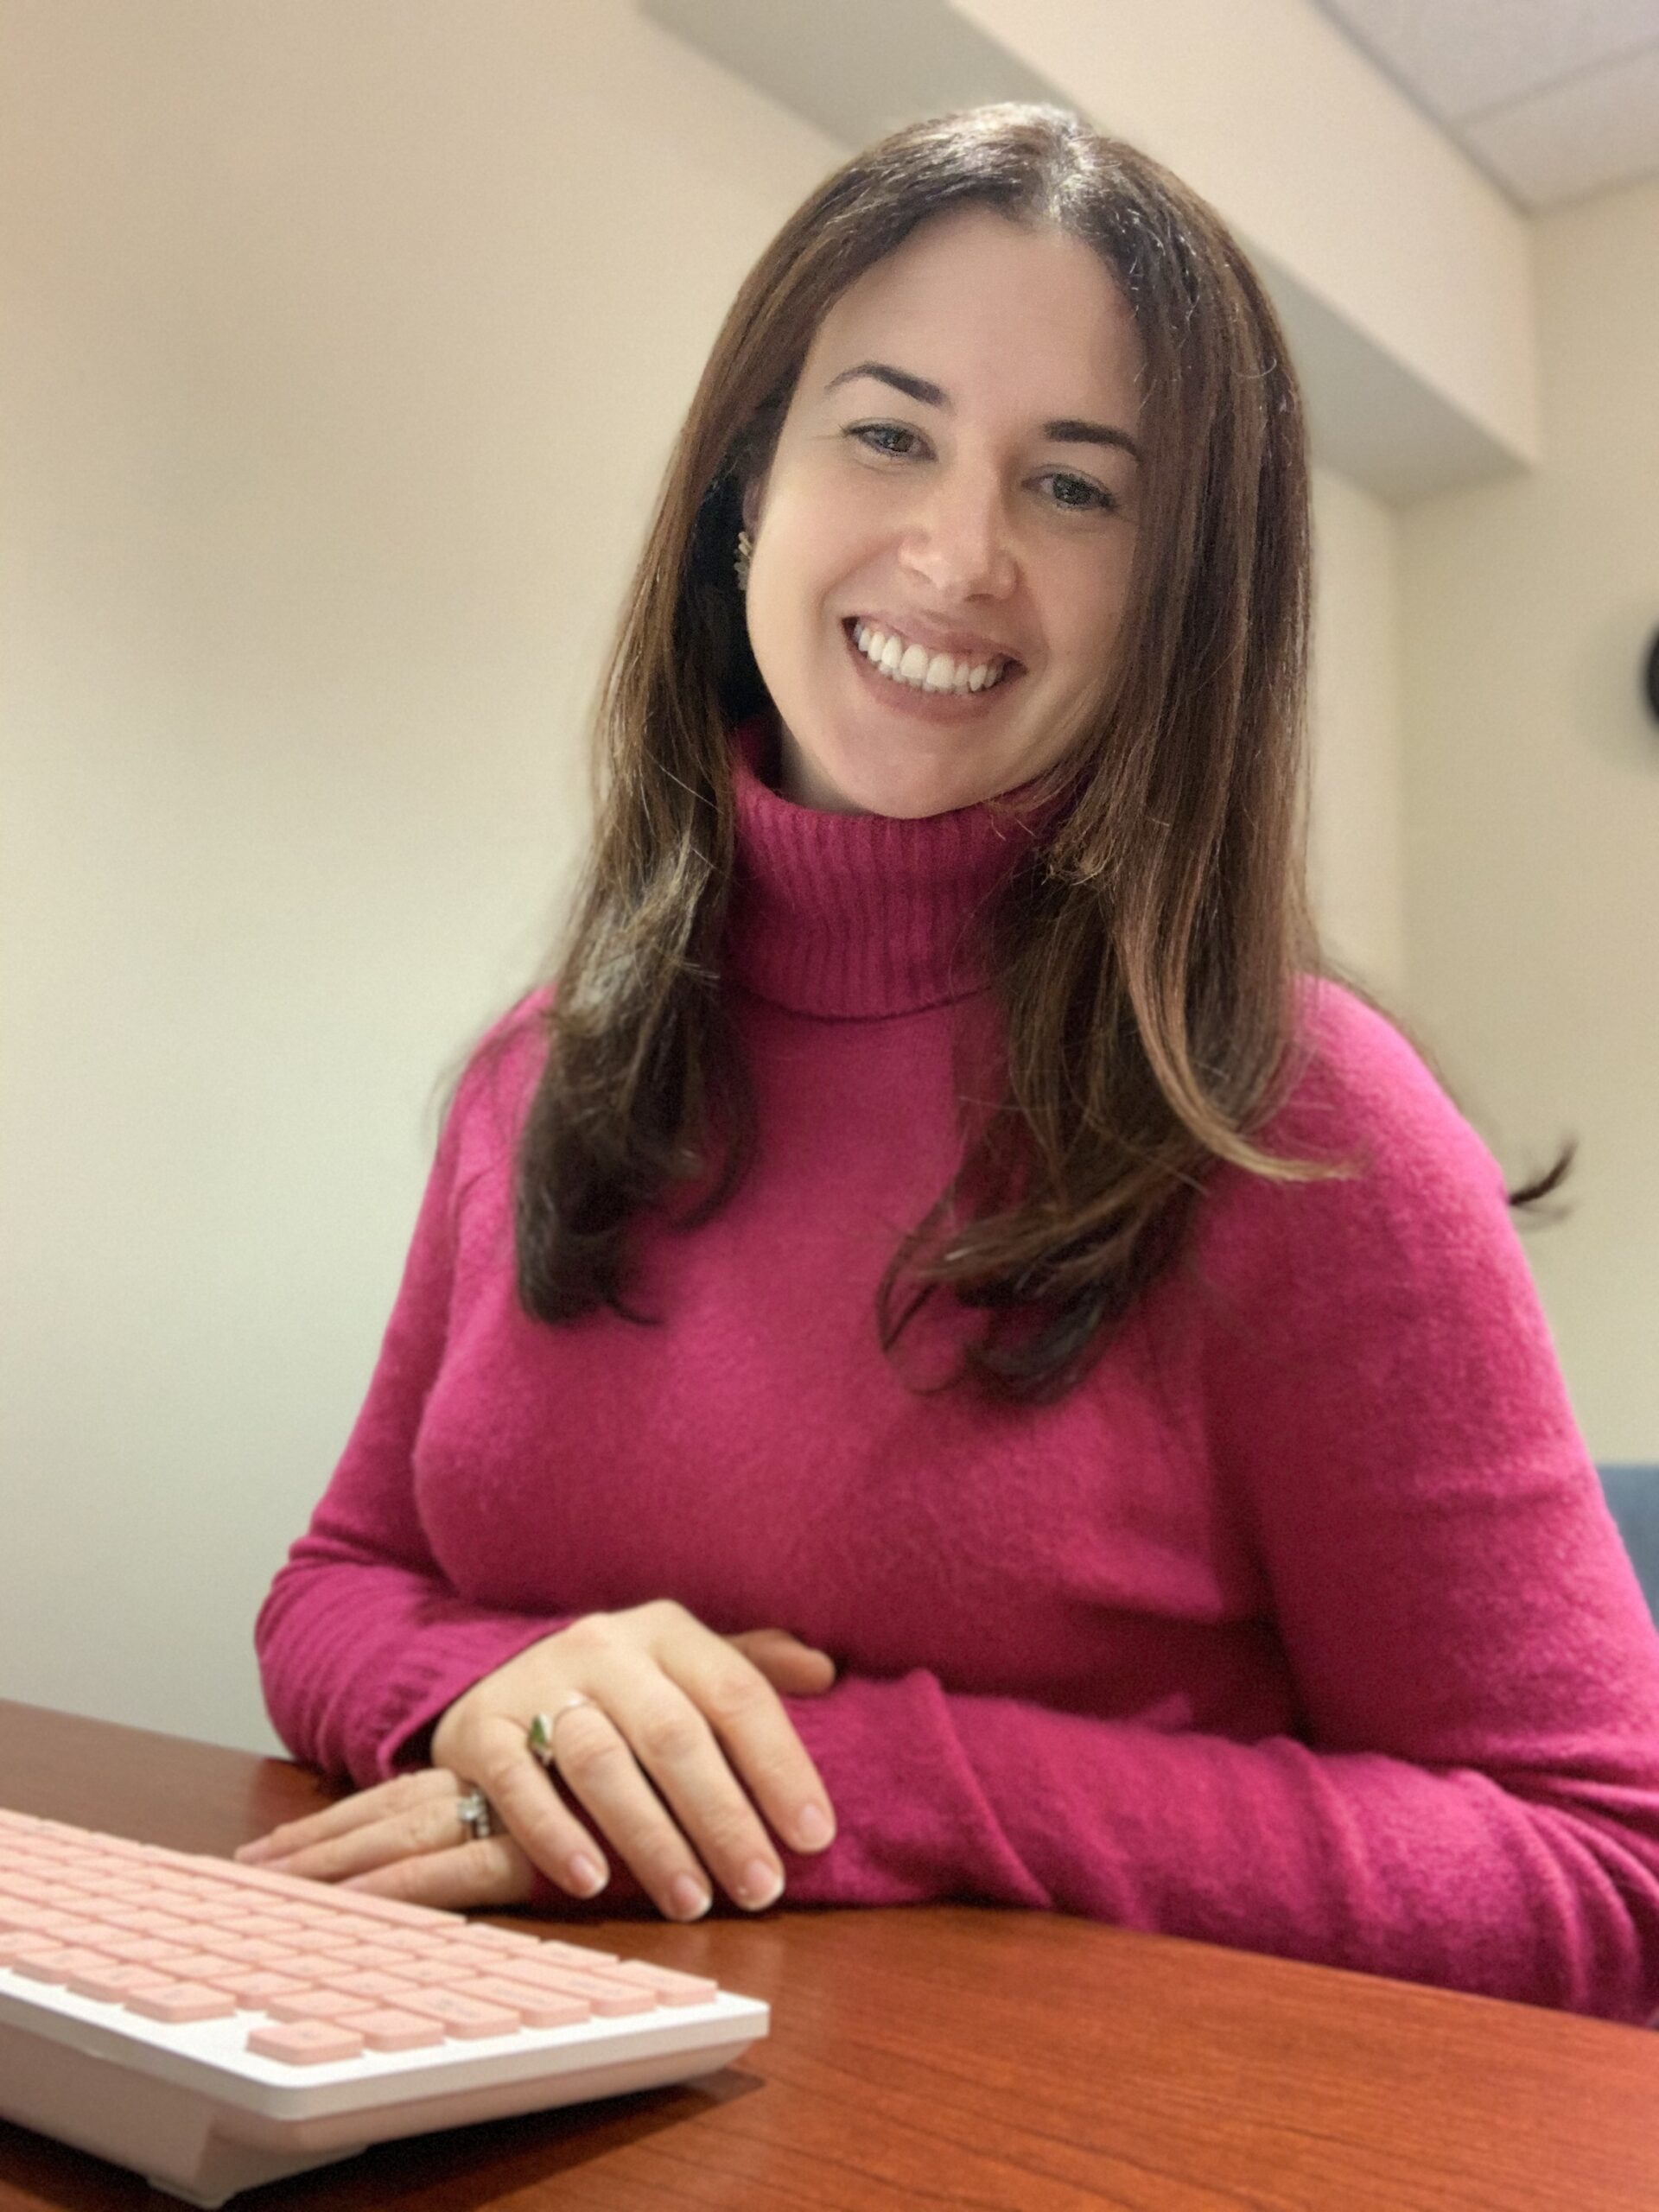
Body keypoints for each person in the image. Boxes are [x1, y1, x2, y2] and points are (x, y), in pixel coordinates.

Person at [242, 103, 1659, 2022]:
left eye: (1078, 488)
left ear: (1176, 602)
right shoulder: (539, 1068)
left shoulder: (1303, 1115)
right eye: (889, 431)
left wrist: (863, 1778)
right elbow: (343, 1577)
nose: (959, 549)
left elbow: (1606, 1870)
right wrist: (501, 1693)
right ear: (750, 481)